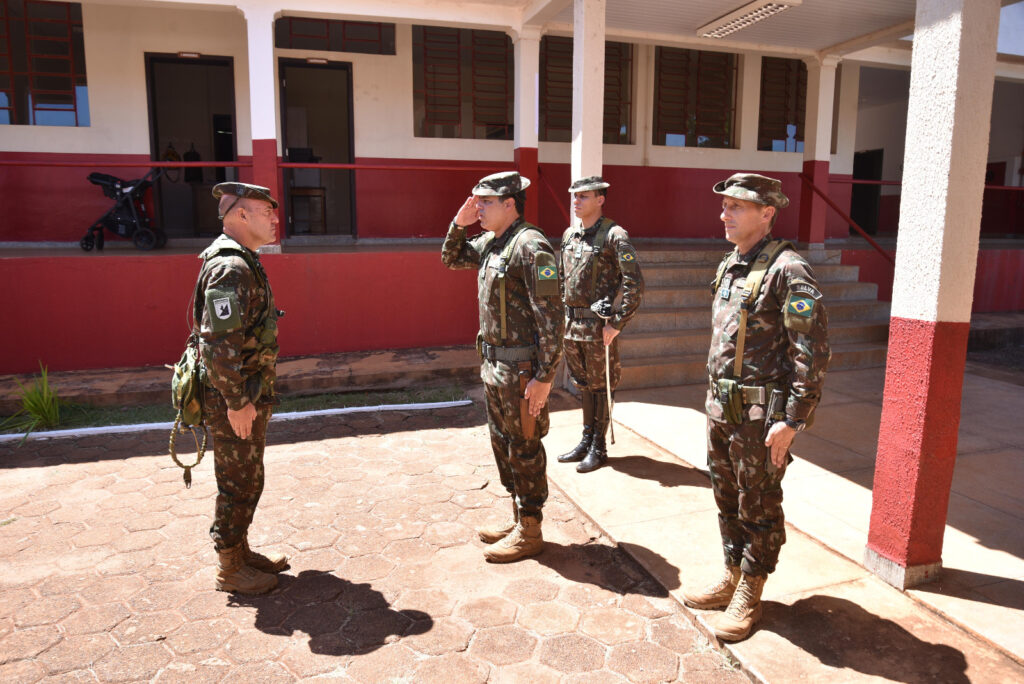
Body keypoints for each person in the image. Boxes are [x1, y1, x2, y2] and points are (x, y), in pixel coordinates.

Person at [683, 173, 830, 641]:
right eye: (724, 206)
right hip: (722, 408)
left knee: (759, 503)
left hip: (760, 416)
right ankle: (732, 571)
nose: (725, 214)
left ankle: (752, 588)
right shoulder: (732, 263)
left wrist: (792, 420)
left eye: (737, 207)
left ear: (767, 213)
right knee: (726, 496)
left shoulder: (789, 270)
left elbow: (811, 354)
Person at [442, 171, 564, 563]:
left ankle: (531, 529)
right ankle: (518, 517)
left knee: (525, 447)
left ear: (510, 203)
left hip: (522, 372)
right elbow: (451, 258)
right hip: (495, 368)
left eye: (486, 202)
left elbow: (551, 317)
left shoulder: (531, 246)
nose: (478, 208)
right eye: (477, 201)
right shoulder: (493, 243)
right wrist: (458, 224)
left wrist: (545, 377)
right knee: (503, 445)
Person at [195, 182, 287, 594]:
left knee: (247, 477)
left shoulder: (243, 259)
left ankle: (240, 550)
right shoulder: (231, 267)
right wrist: (237, 402)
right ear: (241, 215)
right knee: (238, 481)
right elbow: (218, 344)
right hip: (234, 395)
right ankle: (230, 567)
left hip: (245, 390)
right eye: (266, 211)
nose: (274, 219)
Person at [557, 176, 644, 473]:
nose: (576, 201)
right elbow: (561, 279)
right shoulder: (570, 234)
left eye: (583, 196)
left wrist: (617, 322)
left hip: (597, 329)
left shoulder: (614, 235)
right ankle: (585, 439)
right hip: (571, 327)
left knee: (601, 386)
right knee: (584, 386)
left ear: (600, 199)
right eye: (574, 196)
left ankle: (599, 446)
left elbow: (634, 283)